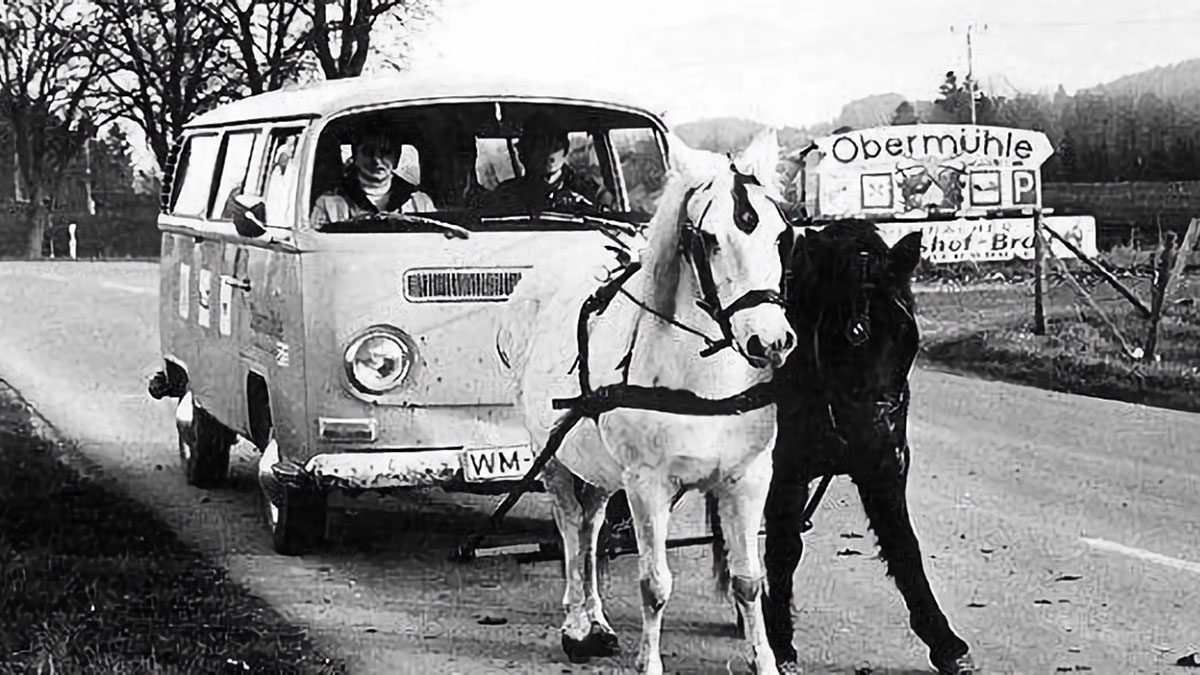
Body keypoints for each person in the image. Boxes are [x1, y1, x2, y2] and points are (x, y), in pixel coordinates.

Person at [478, 112, 614, 213]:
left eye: (556, 145)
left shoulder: (590, 190)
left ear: (565, 149)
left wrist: (583, 207)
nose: (550, 153)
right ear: (524, 154)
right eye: (540, 146)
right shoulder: (507, 194)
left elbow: (611, 225)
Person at [310, 126, 435, 227]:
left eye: (386, 153)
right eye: (368, 152)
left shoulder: (420, 202)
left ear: (396, 159)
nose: (377, 160)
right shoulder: (328, 203)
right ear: (355, 157)